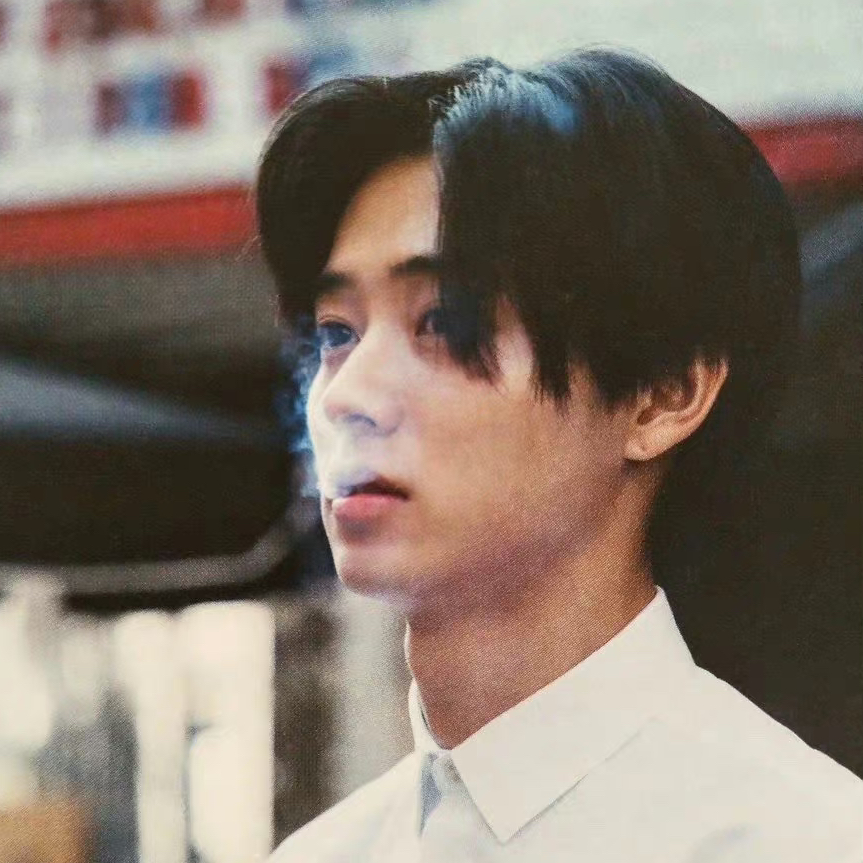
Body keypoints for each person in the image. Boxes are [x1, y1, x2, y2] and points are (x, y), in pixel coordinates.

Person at [257, 48, 863, 862]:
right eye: (336, 332)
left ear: (661, 395)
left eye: (443, 321)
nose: (345, 395)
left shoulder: (801, 840)